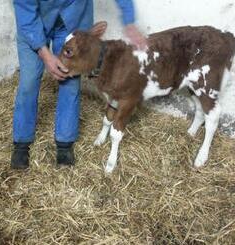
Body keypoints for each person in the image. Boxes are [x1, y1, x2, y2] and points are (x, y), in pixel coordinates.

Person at [11, 0, 147, 169]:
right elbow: (25, 10)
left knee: (70, 81)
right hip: (33, 23)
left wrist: (129, 21)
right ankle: (21, 143)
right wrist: (45, 54)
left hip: (74, 21)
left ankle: (65, 143)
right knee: (29, 82)